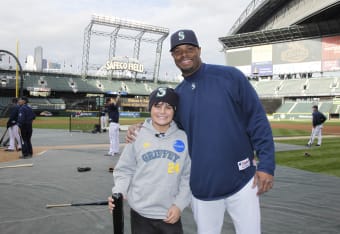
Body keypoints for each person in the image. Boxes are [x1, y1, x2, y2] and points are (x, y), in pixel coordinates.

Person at [126, 29, 275, 234]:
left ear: (199, 50)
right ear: (173, 56)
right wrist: (141, 126)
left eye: (189, 49)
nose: (184, 54)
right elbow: (166, 122)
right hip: (202, 186)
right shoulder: (178, 95)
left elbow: (256, 119)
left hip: (242, 179)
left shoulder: (230, 77)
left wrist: (266, 164)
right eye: (178, 51)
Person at [108, 87, 191, 234]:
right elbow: (124, 170)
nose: (162, 111)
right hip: (140, 215)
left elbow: (187, 177)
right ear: (150, 108)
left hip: (170, 214)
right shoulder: (137, 135)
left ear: (175, 110)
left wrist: (179, 205)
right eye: (157, 106)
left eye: (168, 107)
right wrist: (119, 192)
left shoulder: (183, 138)